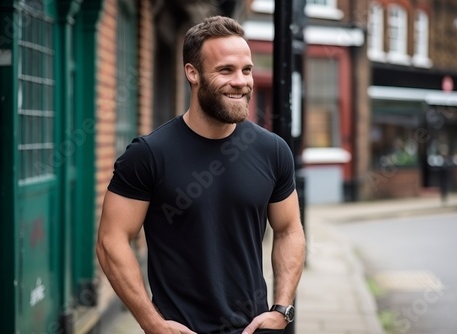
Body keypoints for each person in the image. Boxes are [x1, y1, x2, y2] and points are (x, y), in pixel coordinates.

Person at [96, 16, 306, 334]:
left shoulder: (272, 151)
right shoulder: (149, 154)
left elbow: (289, 230)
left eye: (246, 70)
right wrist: (151, 322)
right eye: (226, 70)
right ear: (192, 73)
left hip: (253, 328)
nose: (241, 81)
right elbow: (111, 240)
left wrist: (282, 308)